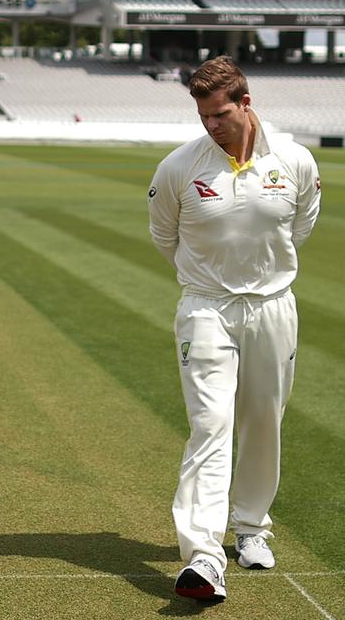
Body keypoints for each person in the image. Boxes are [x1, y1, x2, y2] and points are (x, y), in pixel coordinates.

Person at [147, 56, 321, 604]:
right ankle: (203, 553)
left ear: (245, 103)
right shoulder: (179, 167)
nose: (210, 125)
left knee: (263, 418)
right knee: (211, 420)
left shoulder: (294, 160)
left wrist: (258, 276)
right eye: (202, 116)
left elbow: (299, 227)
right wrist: (214, 279)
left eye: (219, 113)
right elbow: (164, 238)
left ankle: (250, 530)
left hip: (273, 307)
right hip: (206, 308)